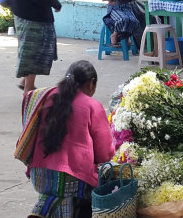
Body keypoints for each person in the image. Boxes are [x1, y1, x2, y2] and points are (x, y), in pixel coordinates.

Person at [25, 60, 115, 218]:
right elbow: (105, 154)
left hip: (39, 176)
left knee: (60, 188)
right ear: (91, 83)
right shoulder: (92, 105)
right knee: (102, 179)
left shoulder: (47, 97)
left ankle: (45, 209)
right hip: (72, 181)